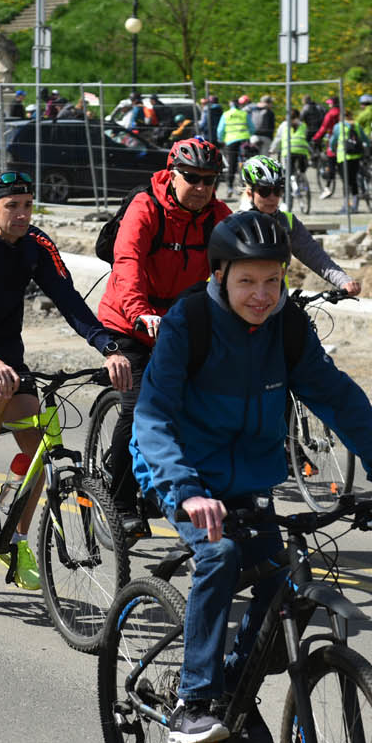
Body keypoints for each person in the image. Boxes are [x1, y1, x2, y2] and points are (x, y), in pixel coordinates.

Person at [131, 209, 372, 743]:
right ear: (219, 276)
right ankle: (194, 699)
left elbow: (337, 399)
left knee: (288, 580)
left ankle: (236, 683)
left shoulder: (285, 328)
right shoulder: (190, 323)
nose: (261, 294)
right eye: (246, 281)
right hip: (182, 475)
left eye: (272, 280)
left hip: (248, 481)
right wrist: (187, 492)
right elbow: (153, 416)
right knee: (219, 555)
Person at [0, 170, 132, 589]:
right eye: (11, 207)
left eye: (27, 205)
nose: (22, 215)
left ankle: (15, 541)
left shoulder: (36, 245)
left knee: (38, 451)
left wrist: (108, 347)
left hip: (5, 354)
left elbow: (68, 299)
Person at [96, 136, 233, 532]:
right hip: (128, 321)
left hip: (178, 323)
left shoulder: (216, 216)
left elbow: (237, 267)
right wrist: (140, 312)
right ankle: (119, 501)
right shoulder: (146, 207)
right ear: (172, 174)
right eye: (193, 178)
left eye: (210, 181)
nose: (202, 188)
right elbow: (127, 263)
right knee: (141, 408)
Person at [237, 156, 360, 295]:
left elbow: (316, 257)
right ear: (249, 193)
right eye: (264, 191)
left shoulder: (287, 222)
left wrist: (344, 281)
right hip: (243, 304)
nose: (272, 197)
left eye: (277, 190)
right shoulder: (234, 225)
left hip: (278, 303)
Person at [216, 95, 252, 192]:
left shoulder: (226, 114)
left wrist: (221, 140)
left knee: (232, 164)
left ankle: (230, 187)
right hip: (244, 141)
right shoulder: (244, 114)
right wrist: (249, 135)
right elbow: (252, 128)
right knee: (246, 162)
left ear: (230, 105)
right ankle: (247, 184)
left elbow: (220, 130)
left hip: (231, 141)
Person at [311, 96, 342, 198]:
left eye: (330, 103)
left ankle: (327, 187)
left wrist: (315, 138)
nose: (329, 104)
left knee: (331, 164)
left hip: (334, 141)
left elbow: (323, 128)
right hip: (346, 141)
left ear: (333, 104)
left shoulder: (331, 114)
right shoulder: (343, 112)